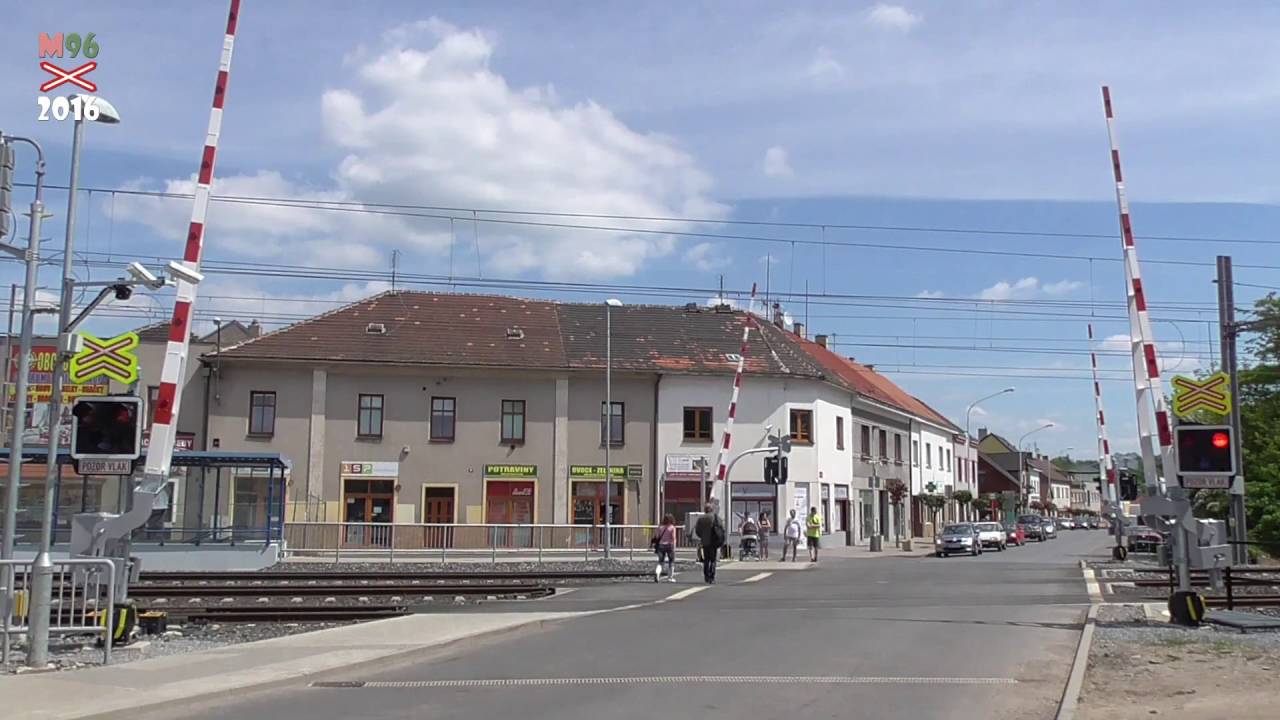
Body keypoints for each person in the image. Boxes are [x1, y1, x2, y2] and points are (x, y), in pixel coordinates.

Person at [694, 503, 726, 584]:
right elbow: (722, 529)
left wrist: (702, 536)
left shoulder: (701, 519)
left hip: (705, 541)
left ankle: (706, 576)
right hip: (714, 541)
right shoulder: (716, 517)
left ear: (705, 509)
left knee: (706, 560)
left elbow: (697, 530)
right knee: (713, 559)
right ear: (712, 509)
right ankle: (712, 576)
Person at [653, 514, 678, 582]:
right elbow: (673, 538)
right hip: (669, 545)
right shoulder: (672, 528)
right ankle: (670, 577)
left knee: (660, 561)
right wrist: (674, 547)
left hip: (661, 545)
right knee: (671, 561)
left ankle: (657, 573)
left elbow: (657, 536)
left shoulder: (660, 527)